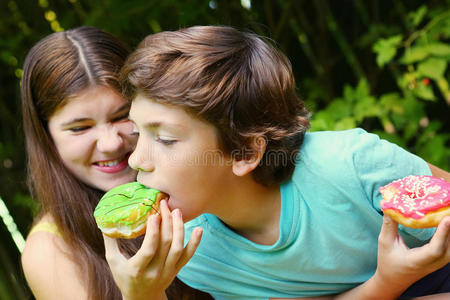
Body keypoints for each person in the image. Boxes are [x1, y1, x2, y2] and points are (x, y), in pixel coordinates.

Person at [112, 25, 450, 300]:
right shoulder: (196, 254)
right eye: (137, 133)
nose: (137, 159)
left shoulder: (353, 164)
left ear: (245, 151)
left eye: (166, 139)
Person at [20, 26, 210, 300]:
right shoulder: (50, 251)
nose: (111, 143)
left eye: (122, 116)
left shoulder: (198, 173)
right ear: (46, 136)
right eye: (80, 128)